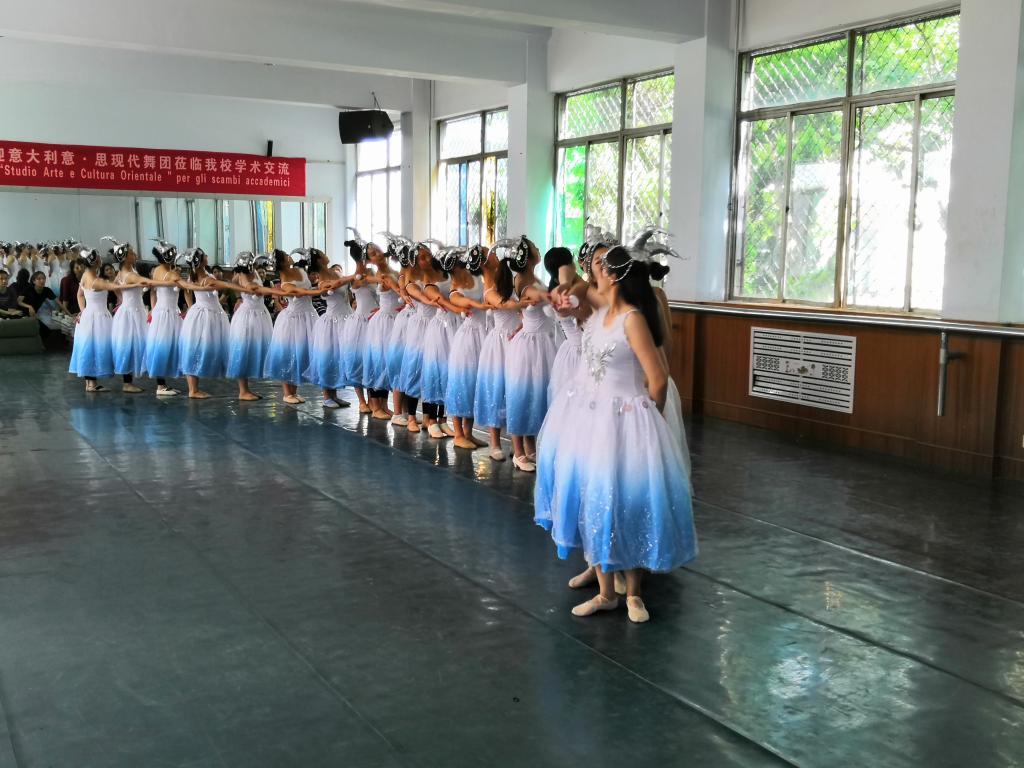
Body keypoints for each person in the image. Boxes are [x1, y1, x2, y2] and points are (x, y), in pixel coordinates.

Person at [536, 238, 698, 624]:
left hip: (625, 420)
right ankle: (606, 590)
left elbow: (658, 377)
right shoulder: (601, 308)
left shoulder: (632, 318)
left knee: (626, 501)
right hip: (587, 417)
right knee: (593, 496)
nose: (593, 270)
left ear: (613, 277)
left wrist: (649, 419)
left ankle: (634, 592)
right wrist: (562, 289)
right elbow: (574, 286)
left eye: (600, 266)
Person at [502, 236, 561, 472]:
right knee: (522, 394)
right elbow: (534, 296)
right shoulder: (524, 283)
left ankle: (530, 446)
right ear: (527, 258)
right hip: (530, 345)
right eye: (535, 247)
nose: (538, 248)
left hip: (541, 343)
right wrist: (551, 296)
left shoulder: (532, 278)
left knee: (536, 395)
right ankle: (518, 452)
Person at [443, 245, 492, 450]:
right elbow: (461, 301)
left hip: (483, 335)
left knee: (473, 383)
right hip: (468, 338)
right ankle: (458, 434)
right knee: (462, 382)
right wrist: (481, 305)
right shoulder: (454, 288)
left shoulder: (478, 278)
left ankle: (468, 432)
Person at [263, 248, 324, 404]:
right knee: (289, 353)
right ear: (282, 262)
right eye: (285, 256)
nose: (289, 256)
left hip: (309, 315)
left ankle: (294, 391)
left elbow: (309, 285)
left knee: (301, 353)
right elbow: (299, 292)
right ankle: (286, 393)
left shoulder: (299, 270)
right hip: (293, 319)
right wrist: (318, 291)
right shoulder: (284, 281)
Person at [175, 247, 234, 399]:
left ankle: (193, 388)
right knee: (195, 349)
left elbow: (187, 292)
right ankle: (193, 390)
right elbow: (226, 285)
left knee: (197, 349)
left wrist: (190, 307)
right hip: (205, 315)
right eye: (204, 255)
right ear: (200, 261)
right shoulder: (205, 279)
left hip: (206, 312)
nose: (207, 256)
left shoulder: (198, 275)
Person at [67, 246, 128, 392]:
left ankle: (90, 383)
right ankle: (91, 384)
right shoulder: (94, 280)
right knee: (94, 348)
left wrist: (83, 310)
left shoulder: (85, 276)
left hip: (89, 315)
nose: (101, 259)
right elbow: (113, 286)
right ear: (95, 261)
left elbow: (79, 295)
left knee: (89, 348)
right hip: (98, 317)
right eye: (99, 257)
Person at [305, 247, 356, 409]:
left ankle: (335, 394)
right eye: (322, 254)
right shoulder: (321, 279)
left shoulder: (335, 272)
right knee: (329, 357)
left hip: (346, 317)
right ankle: (327, 396)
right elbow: (324, 292)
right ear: (319, 260)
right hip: (332, 322)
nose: (326, 255)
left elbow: (344, 285)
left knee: (339, 356)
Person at [103, 237, 155, 393]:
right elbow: (146, 282)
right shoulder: (129, 274)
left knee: (132, 345)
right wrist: (166, 282)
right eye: (132, 253)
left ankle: (129, 381)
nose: (135, 254)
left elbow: (116, 287)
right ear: (125, 258)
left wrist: (123, 299)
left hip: (131, 309)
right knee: (129, 345)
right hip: (131, 313)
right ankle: (127, 383)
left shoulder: (123, 272)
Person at [361, 233, 403, 420]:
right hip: (384, 323)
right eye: (373, 254)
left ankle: (385, 405)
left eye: (378, 250)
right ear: (369, 260)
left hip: (395, 319)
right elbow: (397, 290)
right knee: (378, 361)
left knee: (389, 362)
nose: (378, 254)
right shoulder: (380, 275)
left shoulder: (394, 271)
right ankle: (375, 405)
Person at [340, 231, 380, 415]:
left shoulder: (372, 272)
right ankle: (362, 401)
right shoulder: (358, 275)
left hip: (375, 319)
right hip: (361, 321)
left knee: (371, 360)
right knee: (358, 359)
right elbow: (358, 283)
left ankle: (374, 400)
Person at [225, 252, 275, 401]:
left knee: (252, 349)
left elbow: (233, 282)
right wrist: (276, 291)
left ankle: (246, 389)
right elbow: (252, 288)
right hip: (248, 316)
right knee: (243, 350)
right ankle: (243, 391)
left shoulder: (253, 272)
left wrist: (239, 297)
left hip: (259, 313)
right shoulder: (244, 276)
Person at [143, 240, 186, 397]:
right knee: (164, 346)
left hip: (161, 312)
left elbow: (153, 292)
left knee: (162, 346)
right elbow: (186, 287)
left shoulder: (156, 271)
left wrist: (153, 309)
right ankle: (161, 386)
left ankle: (162, 384)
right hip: (168, 313)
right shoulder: (172, 274)